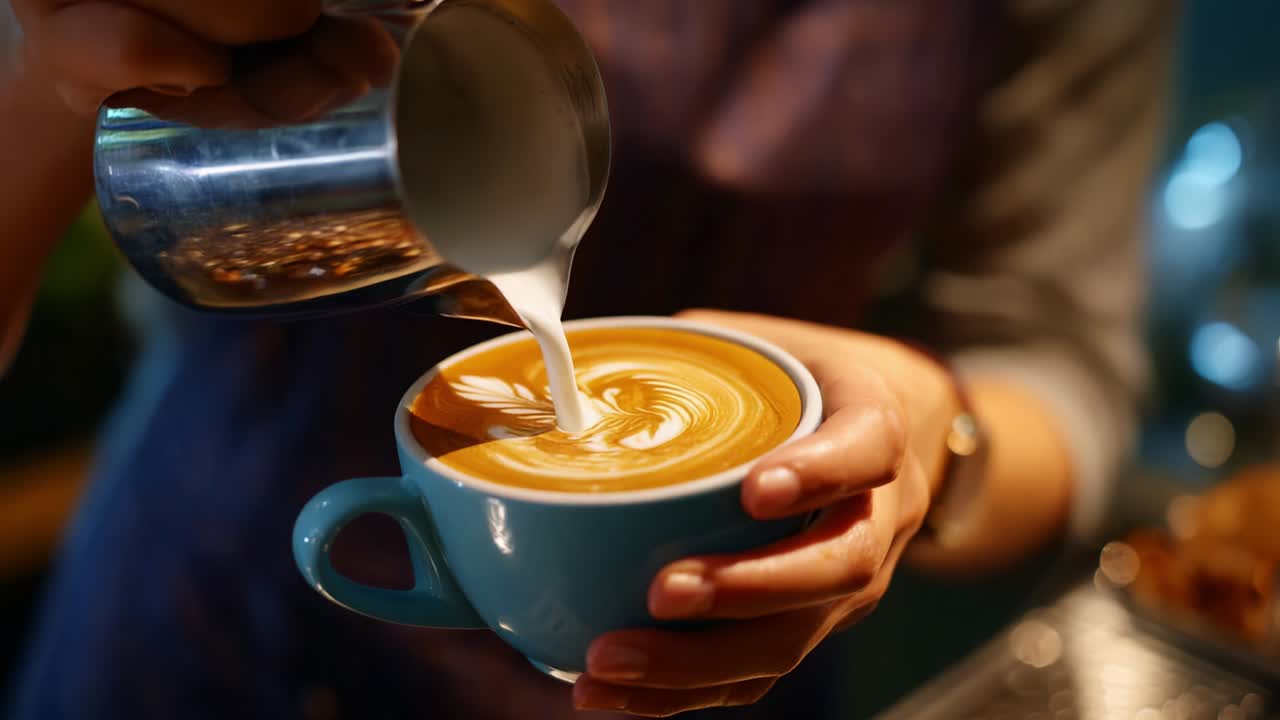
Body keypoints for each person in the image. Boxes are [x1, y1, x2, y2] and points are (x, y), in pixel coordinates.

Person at [0, 0, 1177, 717]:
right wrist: (56, 65)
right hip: (210, 621)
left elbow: (1057, 364)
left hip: (725, 663)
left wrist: (936, 430)